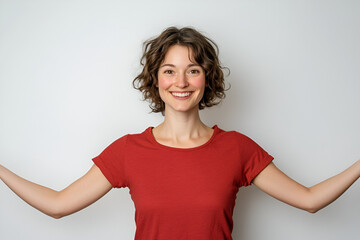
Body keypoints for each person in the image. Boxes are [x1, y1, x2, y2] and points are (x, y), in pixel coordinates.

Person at [0, 26, 359, 240]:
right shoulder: (128, 151)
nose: (182, 82)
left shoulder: (237, 148)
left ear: (208, 78)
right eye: (169, 71)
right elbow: (58, 205)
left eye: (193, 70)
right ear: (155, 81)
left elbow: (310, 200)